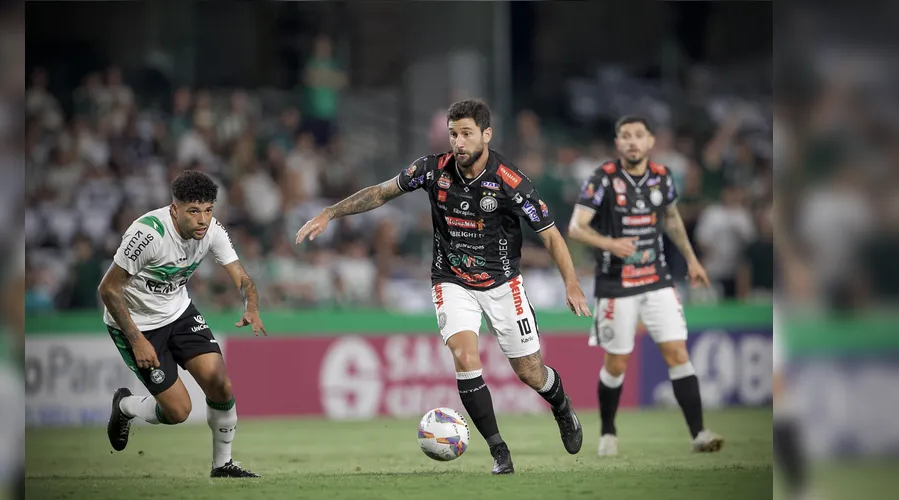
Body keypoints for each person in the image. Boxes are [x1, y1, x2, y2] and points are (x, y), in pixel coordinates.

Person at [296, 99, 591, 474]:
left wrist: (572, 283)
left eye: (467, 133)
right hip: (451, 281)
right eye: (454, 134)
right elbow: (382, 192)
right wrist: (329, 212)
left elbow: (550, 235)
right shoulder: (431, 169)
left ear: (486, 134)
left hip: (503, 284)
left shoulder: (511, 181)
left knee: (530, 372)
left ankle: (562, 407)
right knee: (466, 359)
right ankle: (499, 451)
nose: (459, 142)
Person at [566, 115, 724, 457]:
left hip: (657, 279)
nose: (632, 141)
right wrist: (611, 244)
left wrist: (693, 259)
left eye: (639, 135)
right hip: (615, 285)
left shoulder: (662, 176)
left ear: (651, 141)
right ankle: (608, 431)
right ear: (617, 143)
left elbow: (670, 218)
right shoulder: (603, 179)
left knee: (677, 352)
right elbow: (576, 228)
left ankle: (698, 433)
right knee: (617, 363)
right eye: (625, 136)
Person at [100, 170, 267, 478]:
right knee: (178, 412)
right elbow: (108, 289)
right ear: (174, 209)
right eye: (194, 211)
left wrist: (251, 305)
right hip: (136, 324)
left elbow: (242, 278)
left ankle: (223, 465)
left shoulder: (213, 231)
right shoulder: (148, 234)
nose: (202, 219)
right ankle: (125, 406)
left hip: (178, 313)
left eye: (207, 210)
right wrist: (137, 339)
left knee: (220, 382)